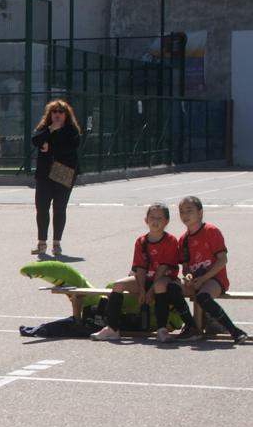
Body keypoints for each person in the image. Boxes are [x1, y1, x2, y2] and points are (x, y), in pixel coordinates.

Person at [90, 203, 197, 343]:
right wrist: (141, 289)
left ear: (166, 221)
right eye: (152, 217)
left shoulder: (170, 240)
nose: (155, 221)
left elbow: (163, 269)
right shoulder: (141, 241)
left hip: (164, 278)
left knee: (159, 286)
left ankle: (161, 330)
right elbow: (140, 268)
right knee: (117, 285)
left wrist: (150, 291)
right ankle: (112, 328)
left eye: (160, 218)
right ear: (146, 220)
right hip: (145, 279)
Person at [176, 195, 247, 343]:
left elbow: (223, 259)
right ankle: (191, 327)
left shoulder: (211, 231)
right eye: (182, 211)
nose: (185, 215)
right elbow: (186, 267)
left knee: (203, 297)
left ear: (200, 212)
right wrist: (188, 276)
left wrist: (203, 278)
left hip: (214, 279)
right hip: (196, 281)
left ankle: (235, 331)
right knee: (170, 288)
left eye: (189, 210)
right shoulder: (183, 240)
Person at [30, 99, 81, 256]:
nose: (57, 115)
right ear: (50, 114)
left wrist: (49, 146)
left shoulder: (72, 130)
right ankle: (41, 243)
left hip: (63, 171)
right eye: (54, 112)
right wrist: (51, 129)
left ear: (66, 115)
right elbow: (35, 140)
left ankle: (57, 243)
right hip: (45, 173)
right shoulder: (45, 128)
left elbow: (70, 148)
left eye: (61, 112)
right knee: (42, 208)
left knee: (59, 208)